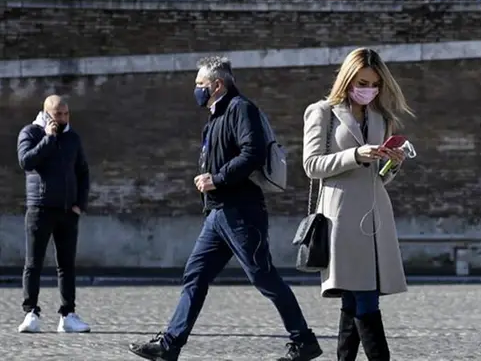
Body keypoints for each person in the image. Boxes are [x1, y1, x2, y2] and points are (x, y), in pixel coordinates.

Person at [128, 57, 322, 361]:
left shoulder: (241, 109)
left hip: (242, 213)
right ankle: (169, 345)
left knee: (263, 277)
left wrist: (216, 179)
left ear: (217, 85)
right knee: (195, 275)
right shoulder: (215, 116)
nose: (196, 91)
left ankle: (304, 340)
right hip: (217, 215)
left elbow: (253, 153)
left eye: (200, 85)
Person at [302, 48, 413, 361]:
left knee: (353, 302)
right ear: (348, 78)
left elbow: (379, 177)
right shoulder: (322, 112)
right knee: (365, 299)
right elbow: (311, 165)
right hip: (341, 219)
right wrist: (355, 154)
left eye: (376, 84)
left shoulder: (381, 118)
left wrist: (393, 163)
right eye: (363, 82)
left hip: (375, 219)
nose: (369, 89)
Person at [16, 95, 91, 334]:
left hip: (68, 211)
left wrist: (80, 204)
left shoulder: (73, 138)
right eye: (58, 114)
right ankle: (31, 313)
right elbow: (26, 162)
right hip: (39, 208)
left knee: (66, 265)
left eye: (66, 114)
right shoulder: (30, 133)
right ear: (47, 114)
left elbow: (83, 172)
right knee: (33, 263)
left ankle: (68, 315)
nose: (63, 118)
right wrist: (48, 138)